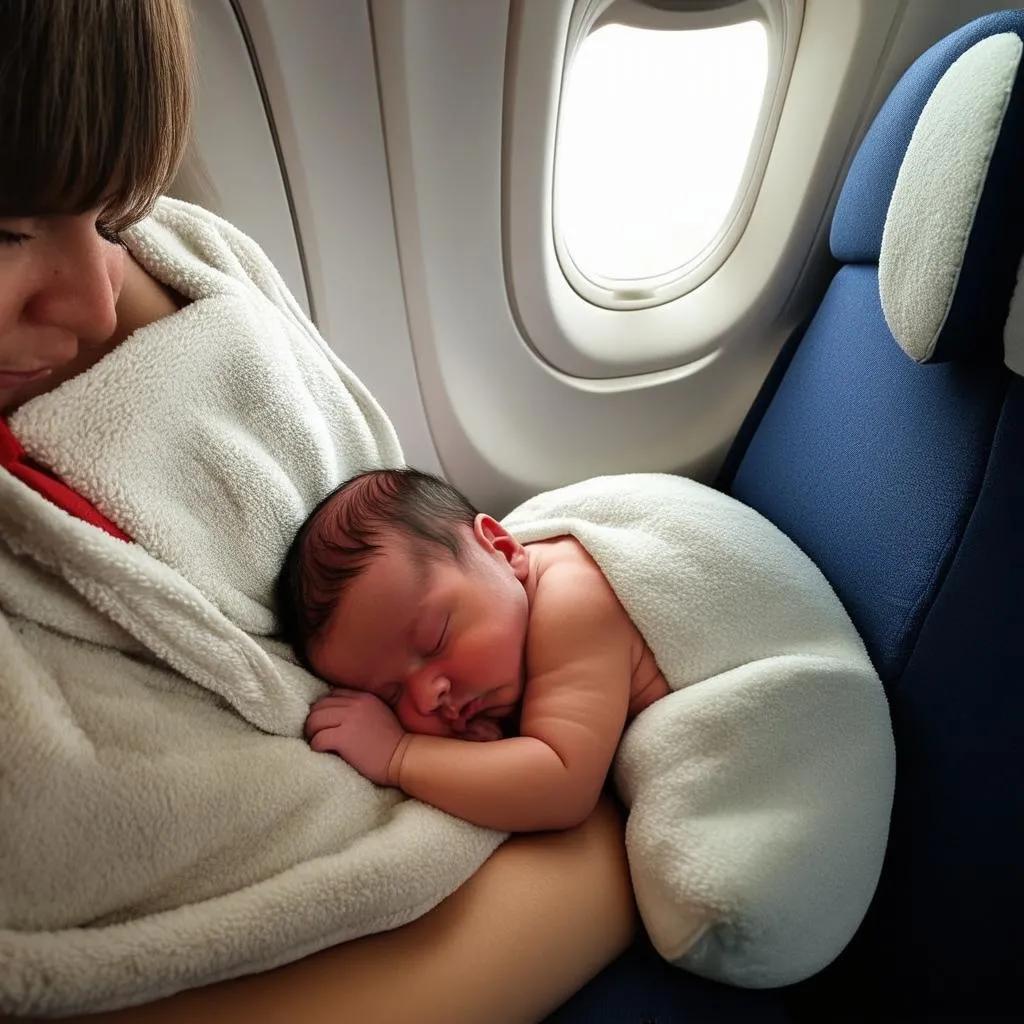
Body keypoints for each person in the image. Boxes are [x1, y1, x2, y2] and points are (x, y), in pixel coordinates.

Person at [0, 1, 636, 1019]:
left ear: (501, 545)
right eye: (5, 233)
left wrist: (418, 758)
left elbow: (563, 782)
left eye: (118, 212)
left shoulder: (196, 273)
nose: (93, 300)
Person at [279, 468, 672, 832]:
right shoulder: (497, 604)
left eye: (434, 640)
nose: (427, 695)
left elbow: (563, 785)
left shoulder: (574, 604)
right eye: (391, 695)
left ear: (502, 548)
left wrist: (399, 754)